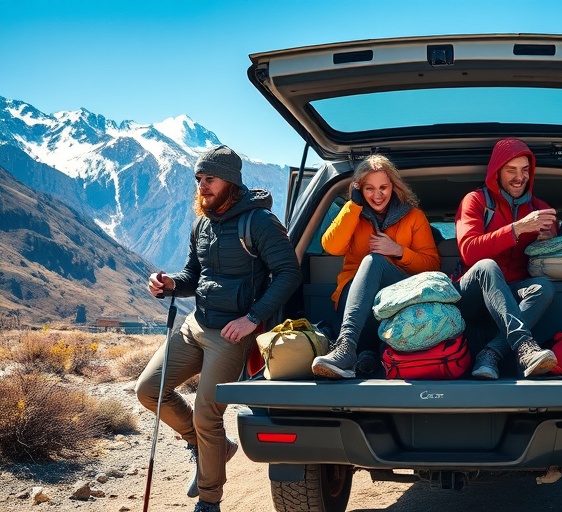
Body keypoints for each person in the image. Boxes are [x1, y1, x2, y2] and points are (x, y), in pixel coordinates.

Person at [135, 145, 301, 512]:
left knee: (207, 414)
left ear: (231, 181)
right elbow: (194, 276)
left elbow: (289, 273)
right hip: (196, 324)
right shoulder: (202, 223)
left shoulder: (259, 222)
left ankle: (209, 502)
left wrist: (253, 319)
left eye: (209, 179)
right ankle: (213, 448)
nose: (202, 187)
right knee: (148, 390)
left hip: (233, 334)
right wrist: (169, 284)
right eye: (198, 180)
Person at [311, 154, 440, 379]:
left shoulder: (414, 217)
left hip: (400, 297)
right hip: (354, 300)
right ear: (359, 189)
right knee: (370, 265)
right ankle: (362, 354)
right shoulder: (354, 213)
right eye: (369, 188)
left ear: (394, 186)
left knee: (373, 261)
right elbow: (331, 246)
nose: (377, 195)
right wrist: (353, 205)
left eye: (383, 187)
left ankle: (347, 348)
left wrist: (398, 251)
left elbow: (432, 266)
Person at [455, 138, 558, 379]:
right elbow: (469, 251)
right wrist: (517, 229)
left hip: (511, 294)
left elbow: (557, 251)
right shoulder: (477, 200)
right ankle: (524, 346)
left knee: (544, 287)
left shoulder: (539, 208)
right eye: (511, 170)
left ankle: (491, 353)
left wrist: (550, 240)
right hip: (471, 294)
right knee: (487, 266)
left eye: (525, 170)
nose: (519, 177)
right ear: (497, 172)